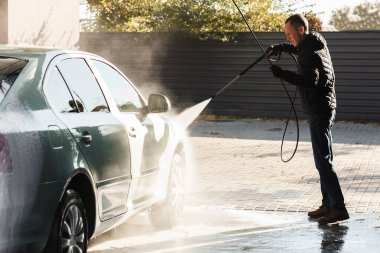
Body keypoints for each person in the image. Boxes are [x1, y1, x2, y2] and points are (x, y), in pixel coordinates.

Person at [269, 14, 349, 225]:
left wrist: (282, 73)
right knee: (325, 159)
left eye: (289, 34)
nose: (288, 37)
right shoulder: (314, 42)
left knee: (323, 161)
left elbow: (309, 81)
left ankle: (338, 208)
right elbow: (299, 49)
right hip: (326, 107)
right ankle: (328, 204)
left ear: (301, 30)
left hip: (319, 110)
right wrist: (281, 47)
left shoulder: (308, 52)